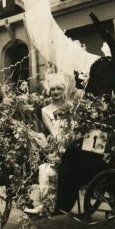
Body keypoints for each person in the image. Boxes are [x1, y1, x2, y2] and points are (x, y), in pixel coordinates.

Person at [24, 73, 69, 215]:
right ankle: (44, 205)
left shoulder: (71, 106)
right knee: (46, 168)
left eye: (59, 89)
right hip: (59, 144)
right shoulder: (45, 110)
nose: (55, 92)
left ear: (64, 90)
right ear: (49, 91)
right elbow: (54, 132)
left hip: (74, 141)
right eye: (53, 89)